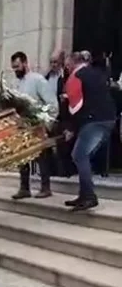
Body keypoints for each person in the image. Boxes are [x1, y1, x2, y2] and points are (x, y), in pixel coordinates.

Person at [64, 51, 116, 211]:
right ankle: (83, 194)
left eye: (67, 65)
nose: (66, 68)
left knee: (79, 155)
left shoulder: (75, 76)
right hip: (108, 118)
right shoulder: (96, 72)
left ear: (72, 63)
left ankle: (88, 196)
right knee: (83, 155)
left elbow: (75, 107)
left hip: (95, 121)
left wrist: (70, 128)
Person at [10, 51, 58, 199]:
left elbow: (52, 103)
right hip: (22, 125)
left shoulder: (38, 80)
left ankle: (45, 187)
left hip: (37, 125)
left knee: (41, 157)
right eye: (13, 67)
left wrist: (46, 123)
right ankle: (24, 188)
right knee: (22, 157)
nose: (15, 70)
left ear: (25, 63)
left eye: (17, 66)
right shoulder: (17, 84)